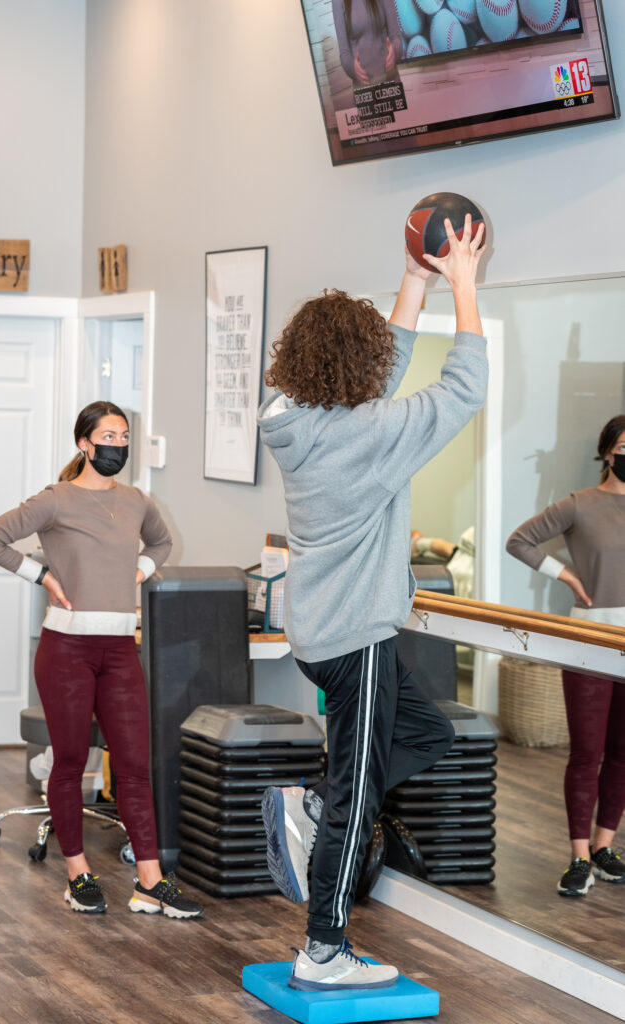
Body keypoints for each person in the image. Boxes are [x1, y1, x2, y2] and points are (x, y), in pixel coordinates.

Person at [257, 215, 488, 990]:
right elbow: (464, 388)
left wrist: (416, 279)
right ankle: (323, 948)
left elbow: (375, 382)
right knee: (357, 800)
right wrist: (462, 286)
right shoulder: (371, 433)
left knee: (424, 731)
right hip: (354, 637)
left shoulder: (294, 419)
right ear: (356, 365)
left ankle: (320, 804)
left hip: (323, 632)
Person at [0, 401, 204, 920]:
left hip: (121, 649)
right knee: (72, 761)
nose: (117, 445)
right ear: (84, 443)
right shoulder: (55, 500)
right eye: (107, 436)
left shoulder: (136, 501)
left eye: (124, 437)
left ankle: (150, 882)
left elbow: (162, 542)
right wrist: (42, 577)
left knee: (134, 767)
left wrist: (142, 570)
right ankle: (78, 873)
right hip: (67, 652)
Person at [506, 415, 625, 897]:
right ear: (606, 452)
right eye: (623, 444)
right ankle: (578, 857)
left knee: (623, 753)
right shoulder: (580, 505)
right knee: (586, 751)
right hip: (590, 640)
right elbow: (520, 540)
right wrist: (568, 577)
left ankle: (604, 846)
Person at [332, 0, 403, 87]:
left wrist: (394, 51)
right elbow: (344, 53)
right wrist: (353, 69)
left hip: (391, 84)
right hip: (364, 90)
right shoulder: (337, 2)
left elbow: (396, 37)